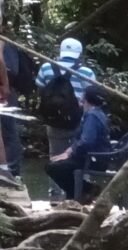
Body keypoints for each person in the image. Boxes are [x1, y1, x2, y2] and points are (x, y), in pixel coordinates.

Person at [35, 37, 95, 191]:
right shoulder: (86, 71)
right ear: (79, 54)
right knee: (80, 157)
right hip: (79, 121)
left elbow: (40, 89)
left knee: (55, 156)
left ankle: (55, 195)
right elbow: (92, 95)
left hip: (54, 121)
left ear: (61, 51)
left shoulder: (46, 68)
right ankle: (81, 191)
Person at [46, 82, 114, 203]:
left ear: (87, 99)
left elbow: (87, 142)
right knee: (57, 164)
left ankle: (82, 192)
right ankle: (82, 192)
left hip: (94, 159)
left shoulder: (92, 116)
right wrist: (70, 150)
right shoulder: (98, 113)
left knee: (53, 167)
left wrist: (70, 153)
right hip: (96, 156)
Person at [0, 1, 25, 181]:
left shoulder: (4, 45)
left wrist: (5, 85)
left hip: (5, 93)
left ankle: (11, 170)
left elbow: (9, 68)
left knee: (8, 130)